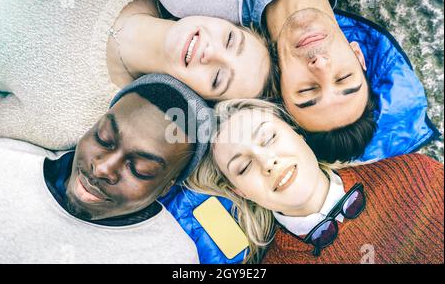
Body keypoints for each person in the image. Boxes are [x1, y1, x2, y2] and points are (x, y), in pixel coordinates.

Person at [156, 0, 439, 164]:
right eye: (343, 78)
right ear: (358, 54)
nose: (320, 65)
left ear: (279, 80)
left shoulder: (197, 7)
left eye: (307, 91)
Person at [0, 0, 272, 150]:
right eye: (230, 40)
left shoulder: (78, 119)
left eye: (217, 78)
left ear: (196, 99)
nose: (210, 52)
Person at [187, 99, 444, 264]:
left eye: (269, 138)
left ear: (297, 133)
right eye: (243, 167)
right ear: (241, 192)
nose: (267, 162)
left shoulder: (415, 175)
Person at [0, 74, 215, 263]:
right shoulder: (4, 163)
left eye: (140, 169)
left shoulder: (171, 256)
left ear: (167, 187)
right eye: (103, 138)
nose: (102, 168)